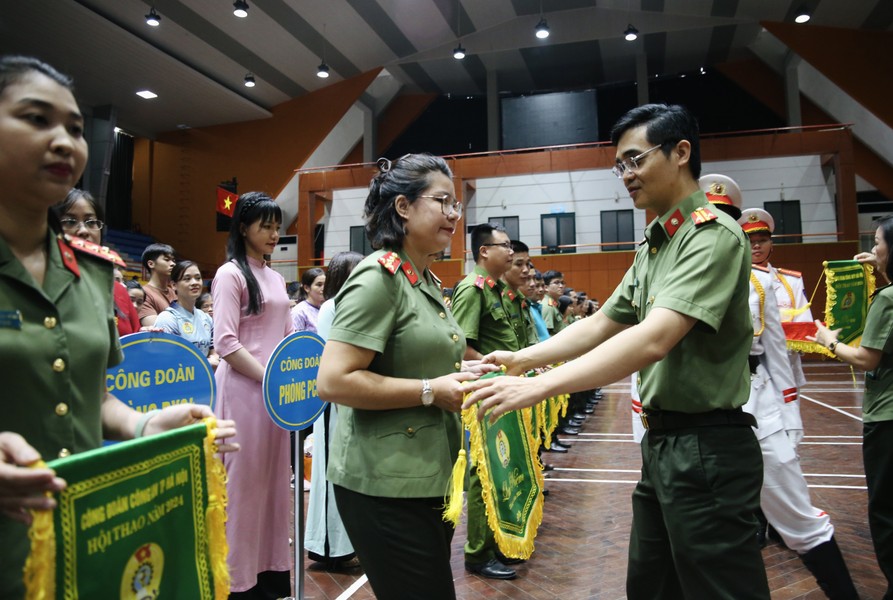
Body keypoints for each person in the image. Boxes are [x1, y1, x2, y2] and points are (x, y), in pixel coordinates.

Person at [464, 103, 770, 599]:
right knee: (649, 586)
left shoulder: (711, 236)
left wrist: (537, 386)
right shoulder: (655, 243)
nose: (626, 176)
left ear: (680, 153)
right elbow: (605, 322)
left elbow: (653, 338)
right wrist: (522, 360)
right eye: (620, 165)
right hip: (664, 444)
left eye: (635, 160)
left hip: (707, 447)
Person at [0, 55, 237, 598]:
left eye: (76, 129)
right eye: (36, 119)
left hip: (87, 540)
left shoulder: (92, 272)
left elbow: (94, 398)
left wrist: (146, 426)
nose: (64, 140)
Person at [317, 154, 487, 600]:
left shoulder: (425, 280)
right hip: (385, 484)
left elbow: (411, 359)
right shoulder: (378, 278)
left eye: (456, 204)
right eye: (443, 201)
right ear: (403, 208)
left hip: (428, 474)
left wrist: (466, 370)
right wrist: (432, 390)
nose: (455, 213)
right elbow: (333, 381)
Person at [212, 191, 294, 599]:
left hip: (275, 398)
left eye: (277, 226)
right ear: (243, 227)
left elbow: (288, 336)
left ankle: (270, 573)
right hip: (244, 394)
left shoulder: (276, 278)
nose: (274, 233)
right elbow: (225, 342)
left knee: (275, 485)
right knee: (242, 488)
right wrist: (271, 378)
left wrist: (293, 379)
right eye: (266, 226)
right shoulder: (230, 274)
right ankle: (237, 581)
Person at [810, 215, 893, 598]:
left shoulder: (887, 299)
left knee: (886, 511)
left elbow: (865, 359)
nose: (873, 249)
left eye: (878, 242)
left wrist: (828, 340)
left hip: (887, 419)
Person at [450, 223, 522, 581]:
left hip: (501, 389)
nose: (510, 252)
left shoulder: (495, 290)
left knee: (500, 468)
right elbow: (463, 347)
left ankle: (494, 542)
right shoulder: (472, 289)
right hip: (485, 390)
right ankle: (477, 552)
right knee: (483, 471)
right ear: (483, 251)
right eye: (504, 246)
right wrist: (497, 370)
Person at [305, 251, 363, 572]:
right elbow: (333, 357)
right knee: (329, 474)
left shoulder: (356, 306)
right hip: (333, 405)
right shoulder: (331, 307)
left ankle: (347, 543)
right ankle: (327, 545)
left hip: (352, 401)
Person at [53, 188, 141, 337]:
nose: (83, 231)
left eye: (91, 222)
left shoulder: (118, 291)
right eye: (69, 221)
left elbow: (133, 340)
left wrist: (146, 336)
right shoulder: (34, 284)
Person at [744, 207, 814, 387]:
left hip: (786, 371)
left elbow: (803, 325)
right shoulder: (734, 283)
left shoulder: (792, 282)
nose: (757, 245)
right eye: (751, 241)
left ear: (772, 245)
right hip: (748, 373)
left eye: (762, 240)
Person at [154, 260, 219, 369]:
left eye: (198, 278)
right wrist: (205, 363)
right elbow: (166, 361)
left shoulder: (206, 317)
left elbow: (214, 351)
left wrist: (214, 358)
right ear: (174, 285)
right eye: (187, 279)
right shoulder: (168, 318)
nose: (194, 282)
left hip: (205, 380)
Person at [139, 242, 176, 327]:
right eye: (167, 260)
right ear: (151, 264)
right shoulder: (144, 293)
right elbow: (157, 329)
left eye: (173, 260)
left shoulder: (175, 292)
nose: (173, 264)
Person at [291, 267, 325, 333]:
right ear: (307, 288)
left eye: (325, 284)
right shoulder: (299, 311)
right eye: (319, 285)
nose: (323, 288)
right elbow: (297, 340)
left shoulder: (326, 308)